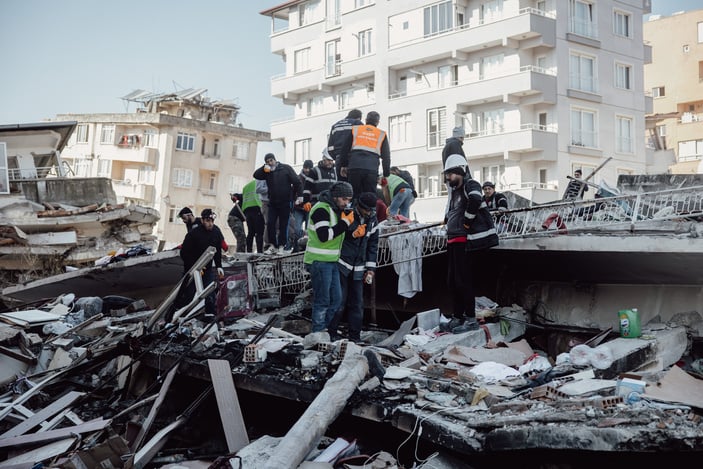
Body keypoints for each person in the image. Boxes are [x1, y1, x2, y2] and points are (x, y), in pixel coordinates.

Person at [442, 154, 499, 334]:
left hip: (464, 242)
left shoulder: (470, 184)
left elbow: (475, 199)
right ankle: (458, 317)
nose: (448, 178)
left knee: (464, 281)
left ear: (460, 171)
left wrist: (467, 222)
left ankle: (470, 319)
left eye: (450, 174)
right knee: (453, 282)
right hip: (453, 241)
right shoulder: (454, 192)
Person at [327, 192, 379, 343]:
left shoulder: (373, 220)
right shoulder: (347, 214)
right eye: (366, 210)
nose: (369, 213)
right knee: (339, 301)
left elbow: (373, 245)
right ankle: (331, 333)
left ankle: (355, 336)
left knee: (357, 303)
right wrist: (352, 234)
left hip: (358, 267)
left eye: (371, 210)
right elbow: (338, 235)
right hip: (342, 264)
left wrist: (371, 268)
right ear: (359, 206)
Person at [304, 181, 355, 333]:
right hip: (319, 261)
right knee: (323, 300)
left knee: (337, 300)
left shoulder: (334, 210)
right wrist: (345, 223)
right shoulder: (321, 209)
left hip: (331, 261)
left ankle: (325, 330)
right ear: (335, 197)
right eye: (344, 199)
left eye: (349, 200)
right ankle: (318, 334)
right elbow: (324, 236)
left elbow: (337, 235)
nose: (347, 203)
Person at [179, 208, 225, 317]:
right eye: (208, 221)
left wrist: (219, 266)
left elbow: (217, 250)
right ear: (203, 220)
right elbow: (184, 252)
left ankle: (210, 315)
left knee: (209, 292)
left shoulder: (216, 232)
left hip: (207, 268)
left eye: (212, 221)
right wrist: (191, 268)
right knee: (188, 295)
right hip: (193, 269)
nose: (210, 224)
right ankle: (177, 314)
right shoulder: (194, 233)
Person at [253, 153, 303, 254]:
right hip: (272, 202)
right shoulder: (267, 172)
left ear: (275, 160)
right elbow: (256, 175)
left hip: (285, 202)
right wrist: (264, 167)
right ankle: (273, 246)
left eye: (271, 160)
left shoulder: (285, 168)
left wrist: (300, 196)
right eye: (267, 162)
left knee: (283, 225)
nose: (270, 163)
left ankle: (281, 246)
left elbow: (297, 182)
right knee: (270, 223)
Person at [337, 111, 391, 197]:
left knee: (353, 196)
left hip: (354, 167)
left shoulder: (356, 129)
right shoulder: (382, 134)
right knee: (369, 197)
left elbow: (344, 149)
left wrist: (343, 165)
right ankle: (370, 210)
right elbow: (386, 157)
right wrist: (386, 174)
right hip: (371, 170)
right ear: (377, 122)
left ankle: (354, 209)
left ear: (366, 120)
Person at [327, 109, 363, 180]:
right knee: (355, 185)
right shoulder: (357, 123)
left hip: (339, 159)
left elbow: (330, 147)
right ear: (359, 118)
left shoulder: (335, 125)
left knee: (342, 185)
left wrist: (337, 157)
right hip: (354, 158)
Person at [288, 159, 314, 252]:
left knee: (309, 230)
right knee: (296, 229)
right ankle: (296, 248)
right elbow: (292, 192)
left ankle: (307, 249)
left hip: (310, 207)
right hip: (298, 208)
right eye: (305, 168)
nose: (307, 170)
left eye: (309, 168)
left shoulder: (313, 178)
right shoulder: (298, 178)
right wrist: (294, 202)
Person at [242, 179, 265, 253]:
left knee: (250, 232)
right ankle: (259, 251)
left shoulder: (246, 187)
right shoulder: (261, 183)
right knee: (259, 232)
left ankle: (249, 251)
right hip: (257, 208)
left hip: (247, 210)